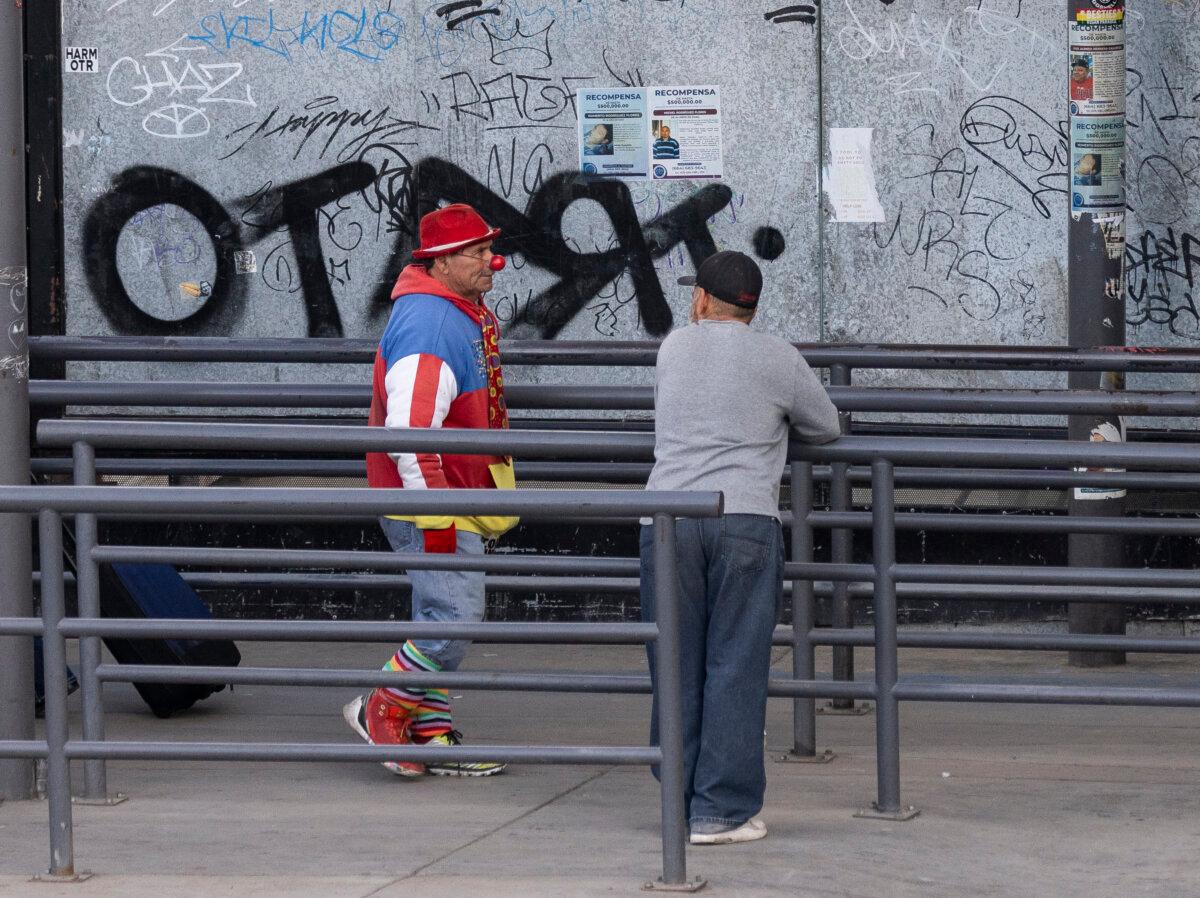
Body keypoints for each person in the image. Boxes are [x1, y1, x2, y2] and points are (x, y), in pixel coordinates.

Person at [639, 250, 840, 845]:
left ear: (700, 300)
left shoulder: (674, 347)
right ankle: (719, 811)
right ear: (753, 307)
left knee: (673, 662)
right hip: (744, 518)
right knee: (735, 664)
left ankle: (676, 799)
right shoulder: (777, 356)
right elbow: (826, 425)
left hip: (667, 518)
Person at [344, 203, 516, 778]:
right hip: (431, 498)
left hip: (450, 493)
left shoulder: (452, 310)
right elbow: (410, 429)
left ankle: (431, 734)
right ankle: (383, 705)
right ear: (440, 262)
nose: (493, 261)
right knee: (457, 614)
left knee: (438, 611)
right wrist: (435, 513)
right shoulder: (431, 322)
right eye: (476, 253)